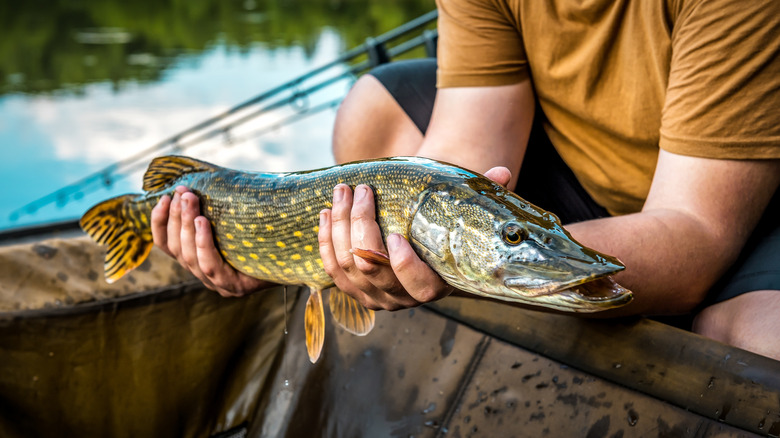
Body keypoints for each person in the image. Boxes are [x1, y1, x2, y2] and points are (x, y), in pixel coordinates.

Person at [151, 0, 780, 359]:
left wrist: (471, 269)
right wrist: (331, 254)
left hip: (736, 202)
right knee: (377, 109)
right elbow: (456, 157)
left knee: (751, 342)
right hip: (576, 175)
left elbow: (695, 229)